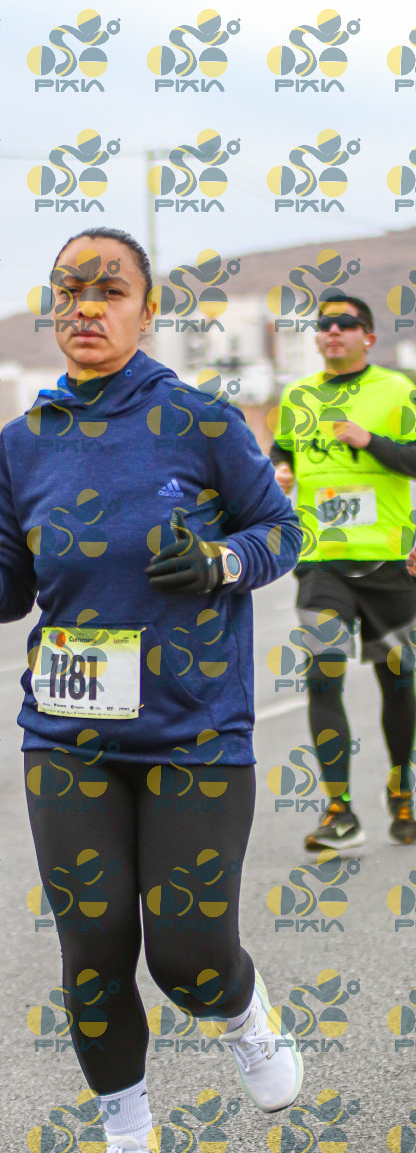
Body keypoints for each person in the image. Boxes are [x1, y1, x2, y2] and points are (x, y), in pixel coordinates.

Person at [0, 226, 304, 1153]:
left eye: (108, 290)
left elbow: (281, 531)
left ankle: (240, 1007)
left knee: (186, 956)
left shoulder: (200, 421)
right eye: (68, 291)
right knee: (93, 944)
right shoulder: (23, 442)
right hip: (67, 733)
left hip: (194, 732)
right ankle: (129, 1151)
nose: (85, 307)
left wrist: (221, 563)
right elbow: (9, 592)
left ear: (147, 311)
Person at [270, 290, 416, 850]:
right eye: (325, 324)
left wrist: (369, 440)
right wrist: (281, 469)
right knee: (322, 674)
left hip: (389, 563)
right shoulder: (298, 396)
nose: (333, 331)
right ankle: (340, 811)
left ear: (368, 337)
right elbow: (283, 449)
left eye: (346, 324)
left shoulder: (397, 391)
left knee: (398, 682)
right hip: (321, 562)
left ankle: (401, 789)